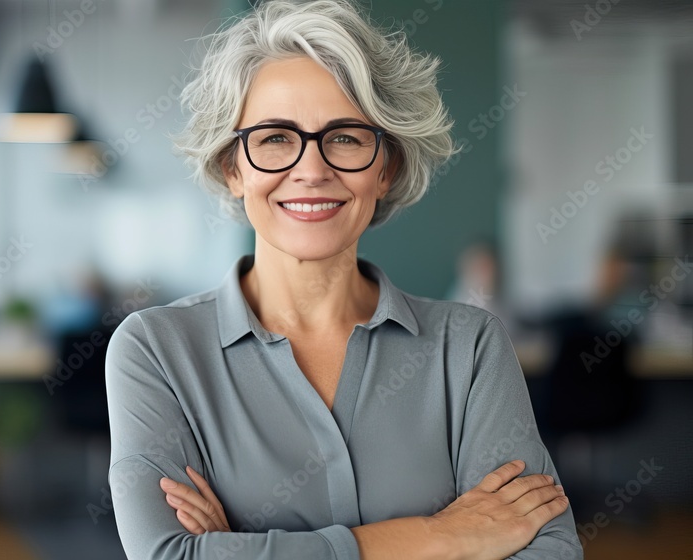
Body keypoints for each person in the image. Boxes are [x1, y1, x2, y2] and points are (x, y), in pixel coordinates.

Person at [104, 1, 583, 558]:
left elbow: (548, 551)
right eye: (276, 138)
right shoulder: (155, 351)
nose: (311, 170)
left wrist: (240, 548)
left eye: (347, 137)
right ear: (233, 167)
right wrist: (441, 536)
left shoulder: (470, 347)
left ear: (387, 168)